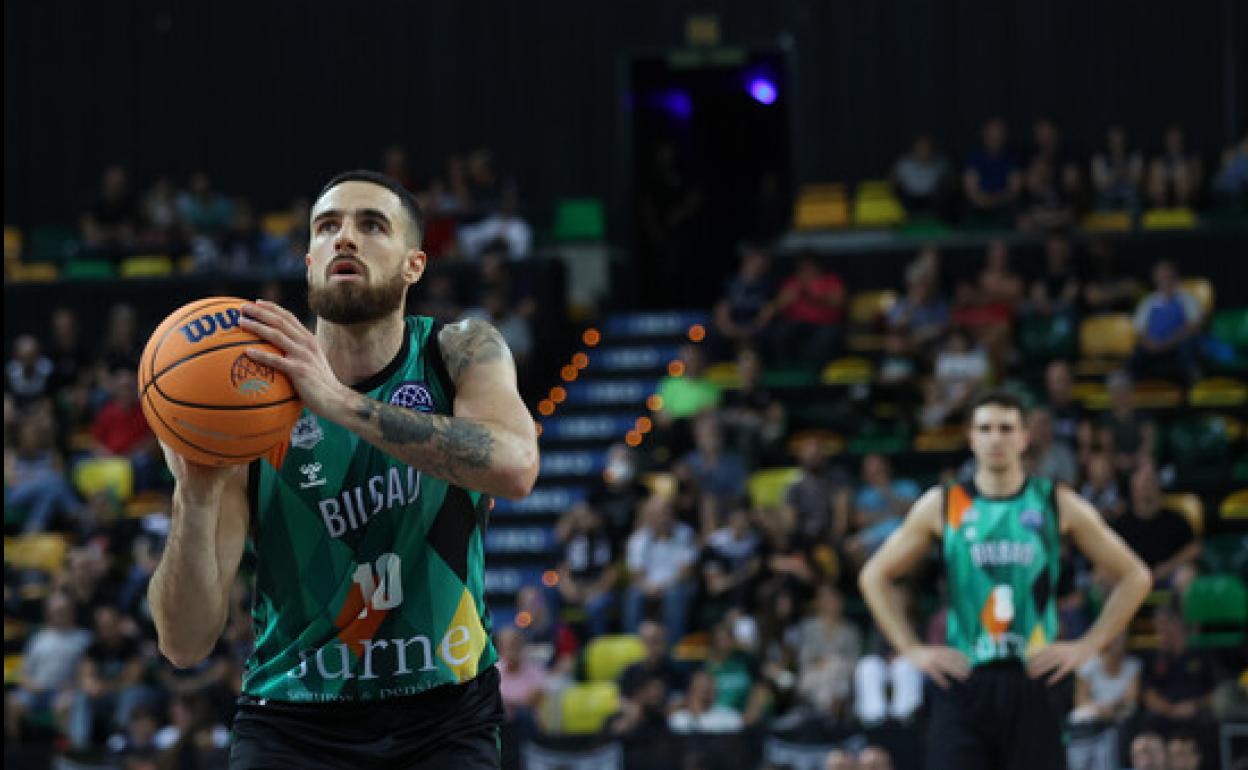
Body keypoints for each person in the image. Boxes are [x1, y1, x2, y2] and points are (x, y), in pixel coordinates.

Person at [146, 170, 540, 769]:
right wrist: (194, 498)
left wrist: (340, 404)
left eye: (371, 225)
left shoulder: (456, 351)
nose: (344, 239)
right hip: (293, 721)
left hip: (445, 716)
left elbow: (514, 467)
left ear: (414, 264)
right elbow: (183, 643)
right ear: (309, 260)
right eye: (327, 227)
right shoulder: (249, 401)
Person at [858, 390, 1151, 770]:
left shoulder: (1053, 502)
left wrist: (1088, 645)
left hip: (1033, 678)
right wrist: (910, 648)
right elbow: (873, 576)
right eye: (985, 428)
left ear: (1024, 437)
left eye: (1005, 428)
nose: (995, 437)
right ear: (971, 437)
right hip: (964, 679)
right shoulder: (945, 504)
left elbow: (1135, 575)